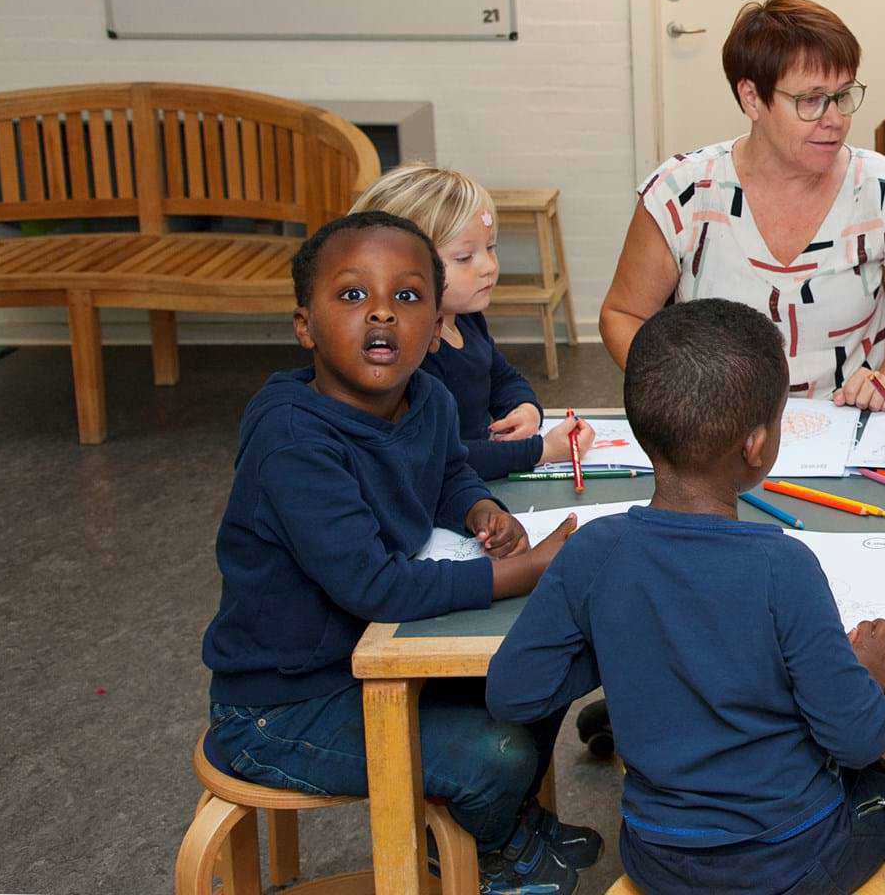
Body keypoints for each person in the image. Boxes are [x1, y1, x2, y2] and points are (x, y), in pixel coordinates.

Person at [488, 299, 885, 894]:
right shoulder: (784, 565)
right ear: (756, 445)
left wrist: (621, 644)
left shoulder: (594, 554)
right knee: (882, 792)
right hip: (788, 861)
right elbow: (858, 738)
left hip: (656, 859)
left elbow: (513, 694)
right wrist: (868, 674)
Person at [200, 212, 594, 895]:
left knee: (544, 669)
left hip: (379, 661)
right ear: (304, 325)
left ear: (435, 318)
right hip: (284, 708)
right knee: (494, 754)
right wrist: (520, 568)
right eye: (353, 296)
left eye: (407, 297)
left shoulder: (428, 399)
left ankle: (502, 824)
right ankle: (493, 849)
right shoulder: (293, 442)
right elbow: (376, 587)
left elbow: (446, 475)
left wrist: (482, 510)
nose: (382, 313)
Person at [599, 0, 885, 411]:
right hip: (716, 429)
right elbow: (623, 315)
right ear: (751, 98)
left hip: (845, 423)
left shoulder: (884, 191)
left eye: (844, 95)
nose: (834, 119)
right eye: (810, 100)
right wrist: (679, 393)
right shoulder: (683, 193)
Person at [351, 163, 591, 481]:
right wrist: (543, 451)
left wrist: (524, 408)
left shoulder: (465, 319)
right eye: (465, 257)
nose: (489, 266)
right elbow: (444, 456)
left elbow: (502, 376)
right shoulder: (410, 354)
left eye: (490, 248)